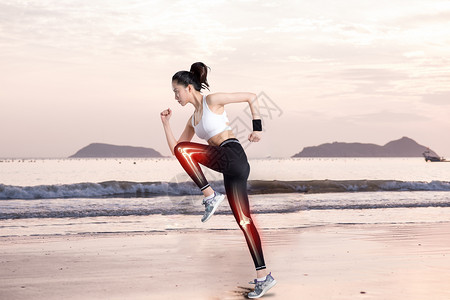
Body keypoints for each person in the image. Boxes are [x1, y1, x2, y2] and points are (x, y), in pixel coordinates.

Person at [160, 62, 277, 298]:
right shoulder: (193, 120)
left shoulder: (211, 101)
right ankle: (264, 277)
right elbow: (178, 150)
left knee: (186, 150)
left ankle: (210, 195)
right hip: (229, 167)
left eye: (177, 91)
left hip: (233, 154)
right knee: (244, 221)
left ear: (189, 88)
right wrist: (165, 125)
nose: (175, 97)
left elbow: (251, 97)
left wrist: (258, 129)